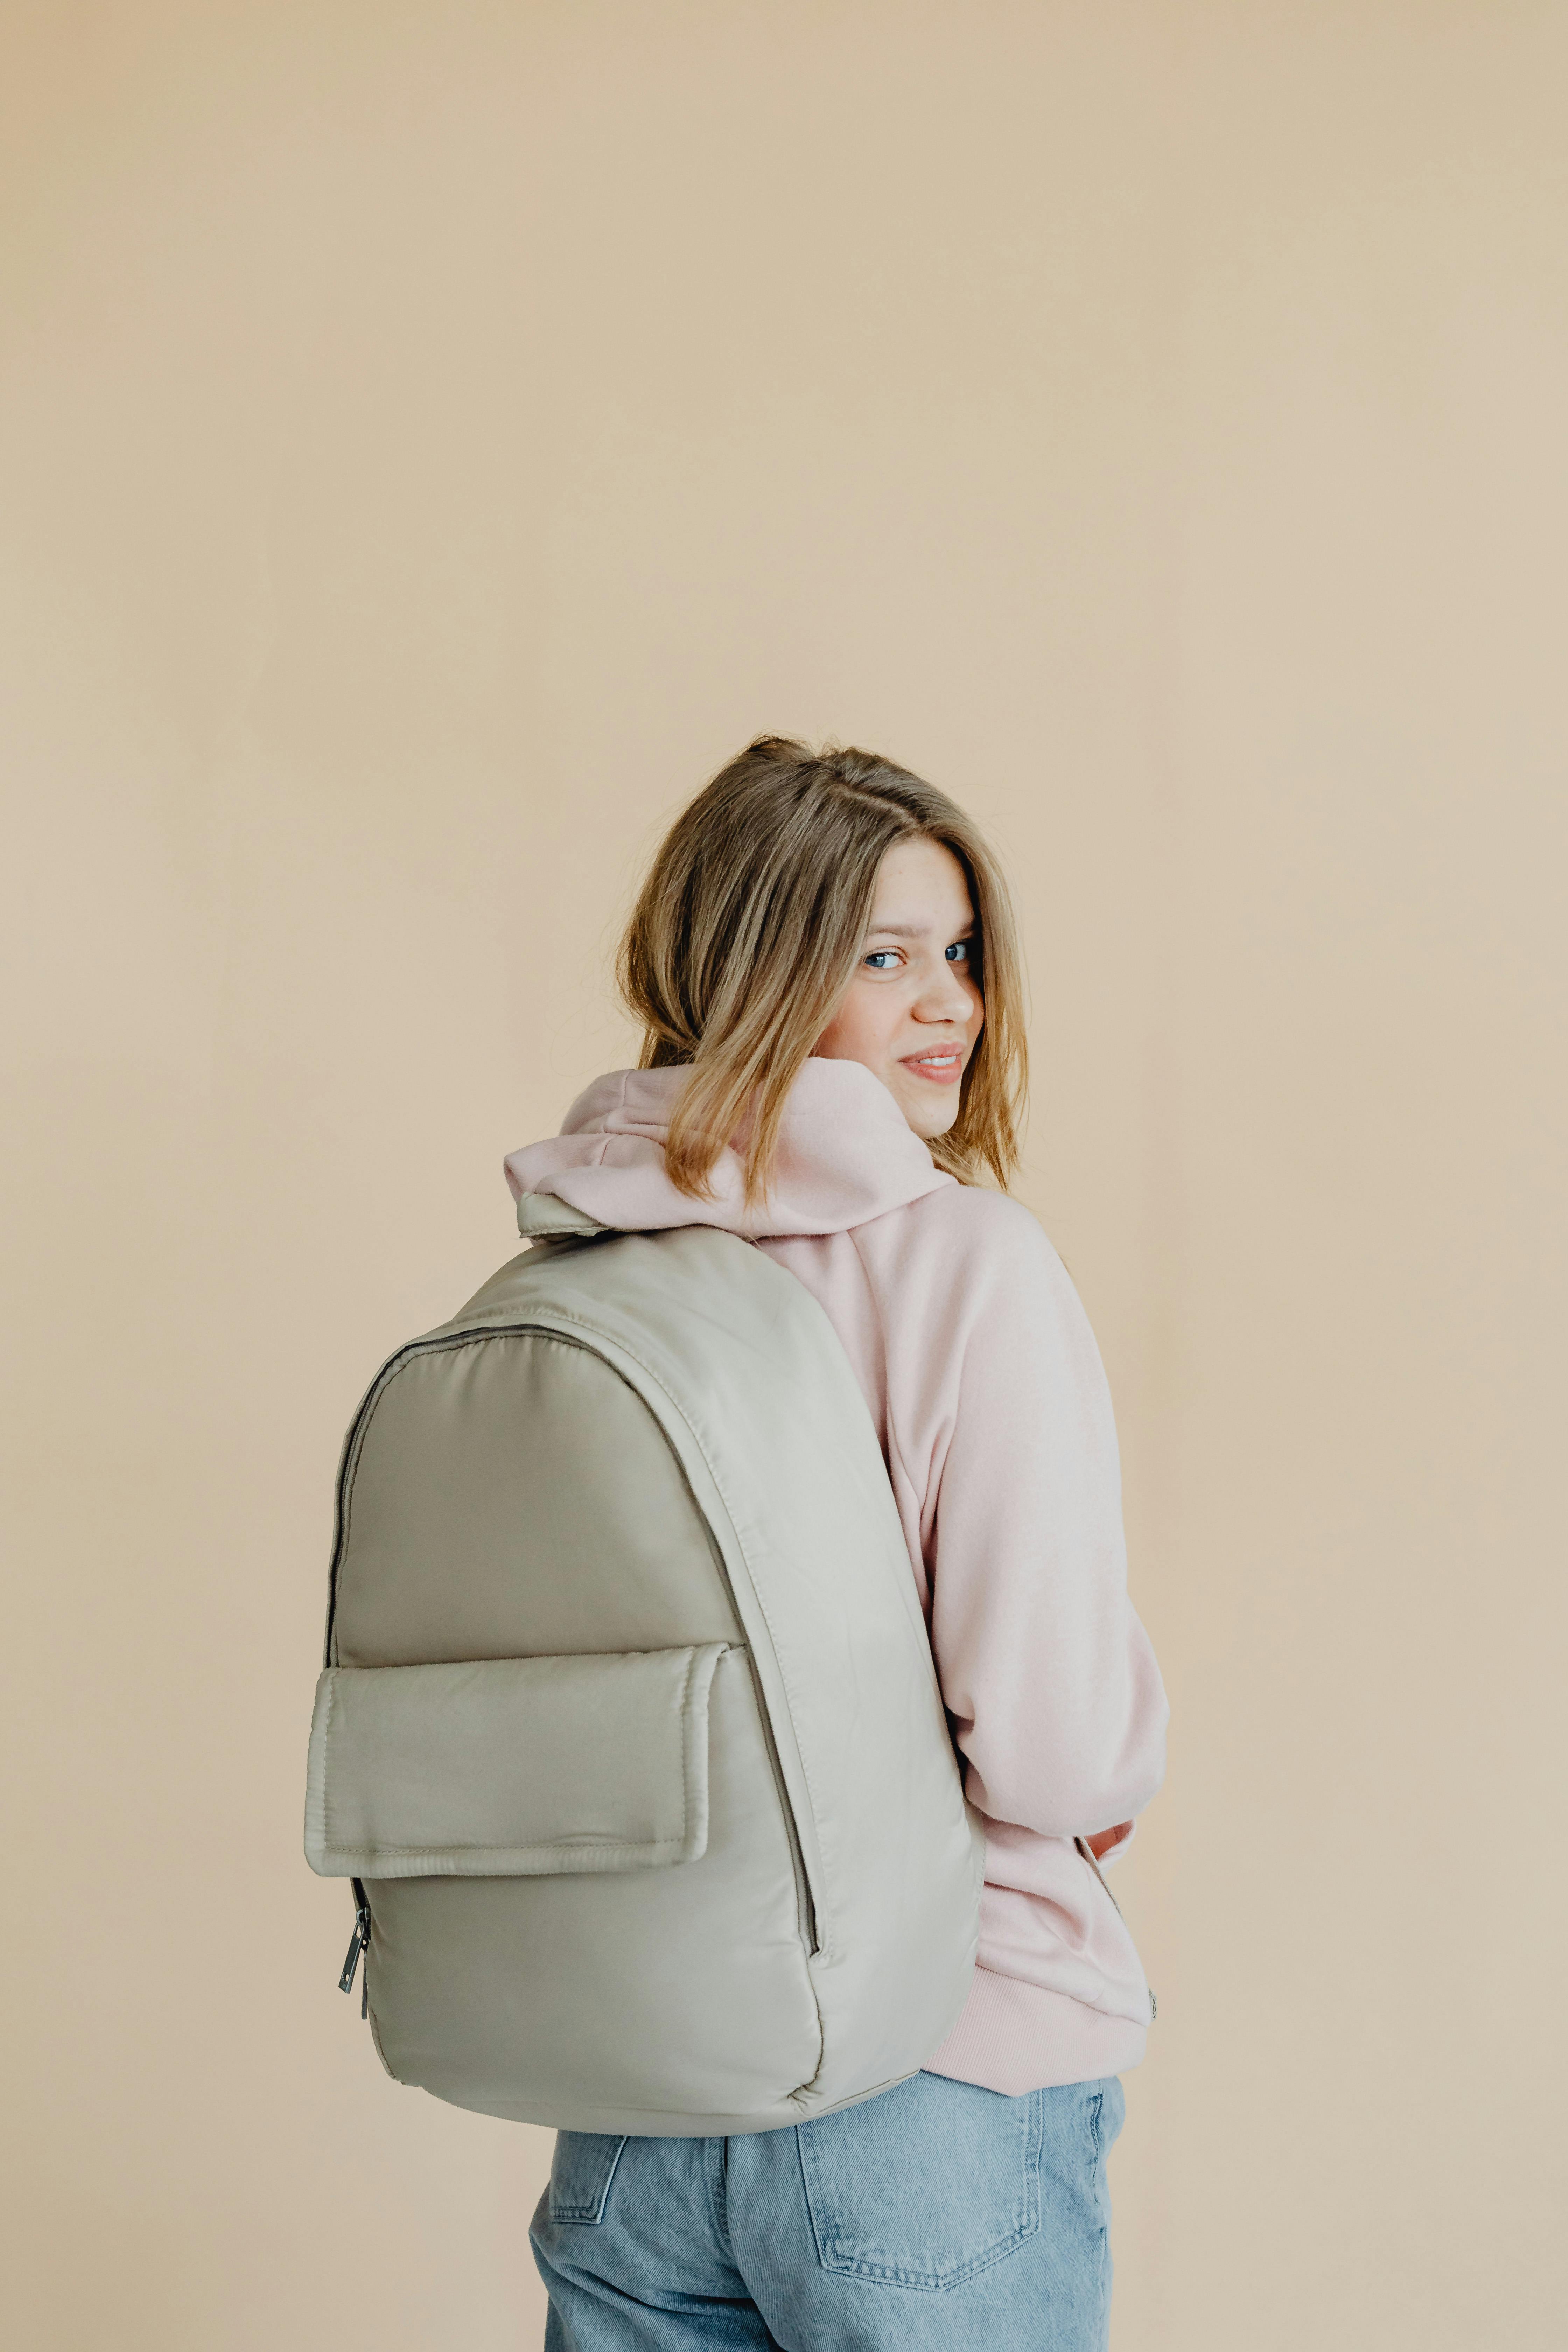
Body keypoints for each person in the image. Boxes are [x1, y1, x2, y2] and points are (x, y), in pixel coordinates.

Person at [514, 736, 1168, 2351]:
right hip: (932, 2073)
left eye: (960, 955)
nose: (949, 1001)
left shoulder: (567, 1280)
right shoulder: (962, 1266)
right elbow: (1057, 1752)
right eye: (883, 958)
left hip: (637, 2092)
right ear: (754, 969)